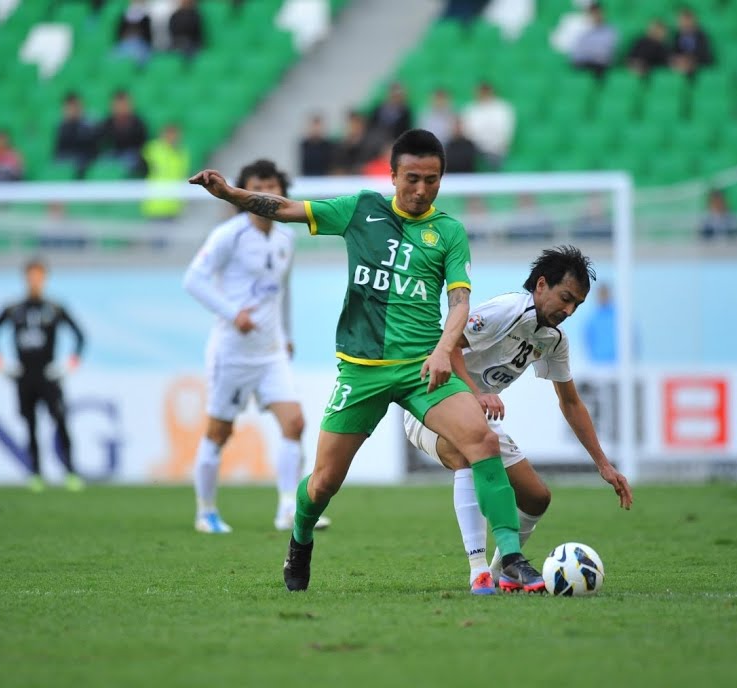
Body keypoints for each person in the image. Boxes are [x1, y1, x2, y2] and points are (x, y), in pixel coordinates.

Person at [189, 128, 547, 593]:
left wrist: (442, 349)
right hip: (362, 371)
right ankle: (299, 541)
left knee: (482, 441)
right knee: (323, 483)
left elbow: (460, 303)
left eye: (432, 180)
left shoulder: (450, 233)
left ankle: (511, 559)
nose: (421, 190)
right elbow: (285, 209)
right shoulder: (360, 209)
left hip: (423, 369)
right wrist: (231, 193)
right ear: (393, 175)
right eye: (412, 178)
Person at [403, 245, 633, 594]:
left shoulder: (554, 340)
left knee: (537, 498)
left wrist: (603, 464)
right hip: (431, 403)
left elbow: (570, 402)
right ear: (541, 285)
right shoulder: (508, 309)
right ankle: (478, 570)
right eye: (565, 298)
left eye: (577, 305)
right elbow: (447, 344)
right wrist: (474, 393)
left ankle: (503, 571)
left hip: (477, 419)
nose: (569, 310)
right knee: (469, 451)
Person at [181, 159, 331, 534]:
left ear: (281, 190)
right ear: (242, 192)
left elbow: (283, 293)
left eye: (271, 183)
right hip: (231, 351)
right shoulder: (228, 235)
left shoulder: (286, 237)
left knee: (294, 422)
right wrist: (234, 313)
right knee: (219, 432)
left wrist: (288, 334)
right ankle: (206, 511)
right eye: (256, 184)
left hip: (271, 352)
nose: (264, 189)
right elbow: (193, 280)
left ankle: (286, 509)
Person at [0, 258, 87, 493]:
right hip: (24, 375)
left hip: (49, 374)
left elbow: (80, 336)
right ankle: (36, 473)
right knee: (30, 424)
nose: (34, 281)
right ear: (25, 278)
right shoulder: (13, 309)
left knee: (60, 420)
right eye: (31, 276)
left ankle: (70, 471)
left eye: (38, 276)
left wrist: (68, 365)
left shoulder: (54, 308)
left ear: (45, 279)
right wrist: (0, 364)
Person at [582, 282, 617, 365]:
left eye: (605, 294)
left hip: (617, 364)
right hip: (597, 364)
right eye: (601, 294)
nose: (603, 297)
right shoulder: (592, 318)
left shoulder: (619, 316)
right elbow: (588, 339)